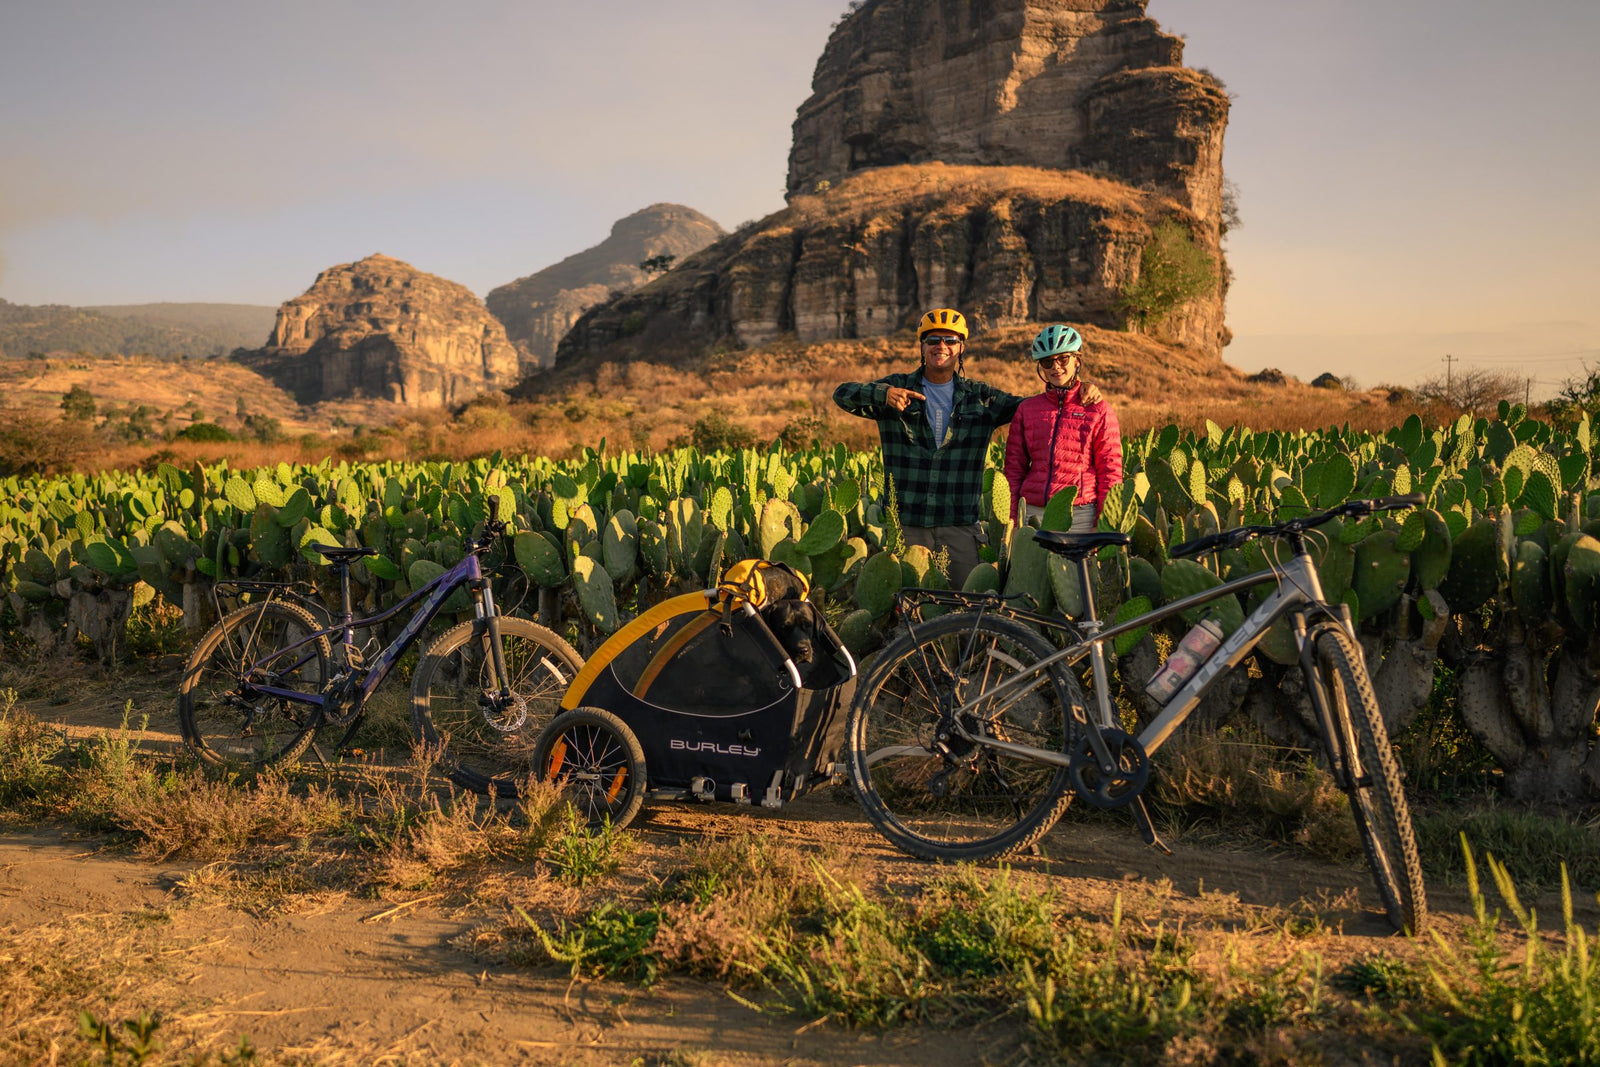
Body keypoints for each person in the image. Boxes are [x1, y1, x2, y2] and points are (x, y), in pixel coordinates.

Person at [832, 309, 1101, 586]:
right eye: (933, 340)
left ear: (962, 347)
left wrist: (1076, 389)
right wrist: (882, 394)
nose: (941, 347)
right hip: (907, 522)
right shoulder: (896, 388)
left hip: (959, 524)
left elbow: (1033, 407)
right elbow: (842, 394)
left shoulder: (980, 398)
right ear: (922, 346)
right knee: (910, 608)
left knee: (965, 605)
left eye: (950, 340)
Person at [1003, 324, 1122, 534]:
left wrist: (1103, 522)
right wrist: (1012, 519)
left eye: (1063, 359)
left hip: (1081, 515)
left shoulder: (1098, 410)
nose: (1056, 367)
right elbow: (1014, 470)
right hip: (1032, 514)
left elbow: (1110, 471)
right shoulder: (1027, 410)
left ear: (1077, 360)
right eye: (1048, 362)